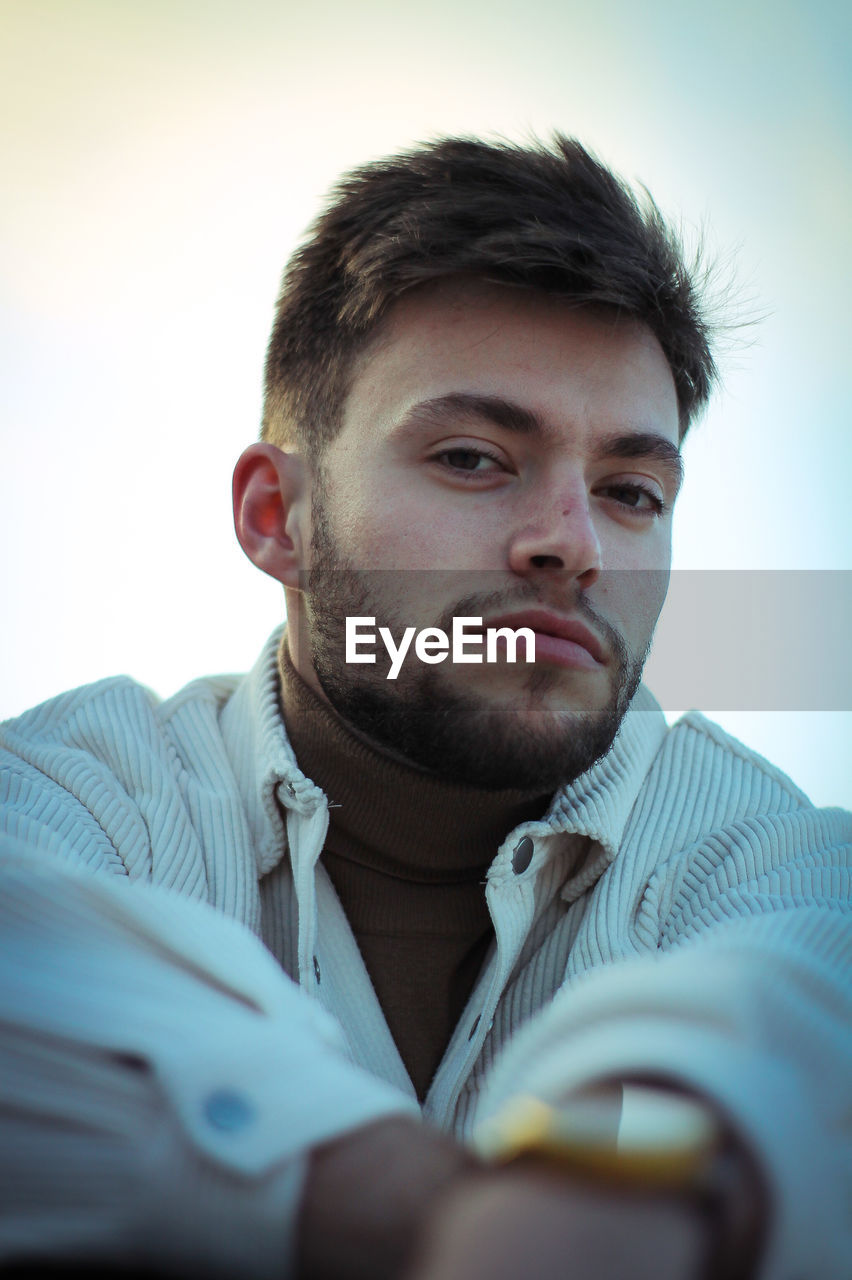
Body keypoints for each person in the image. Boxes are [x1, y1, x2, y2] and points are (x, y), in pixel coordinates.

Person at [0, 135, 849, 1280]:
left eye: (631, 491)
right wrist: (433, 1205)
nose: (573, 542)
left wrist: (683, 1132)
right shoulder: (78, 795)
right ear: (276, 514)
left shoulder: (763, 853)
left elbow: (798, 1014)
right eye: (471, 456)